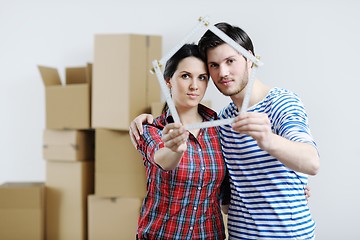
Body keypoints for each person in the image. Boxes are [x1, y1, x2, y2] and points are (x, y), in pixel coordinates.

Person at [130, 22, 320, 239]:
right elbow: (228, 193)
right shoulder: (223, 121)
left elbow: (311, 162)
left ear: (250, 59)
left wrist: (268, 141)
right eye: (214, 65)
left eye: (230, 61)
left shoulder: (281, 103)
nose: (223, 72)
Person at [133, 43, 228, 240]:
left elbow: (237, 181)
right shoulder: (151, 128)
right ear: (168, 80)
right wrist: (175, 148)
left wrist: (287, 183)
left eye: (202, 78)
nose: (195, 86)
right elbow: (163, 159)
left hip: (210, 235)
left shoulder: (220, 128)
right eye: (186, 76)